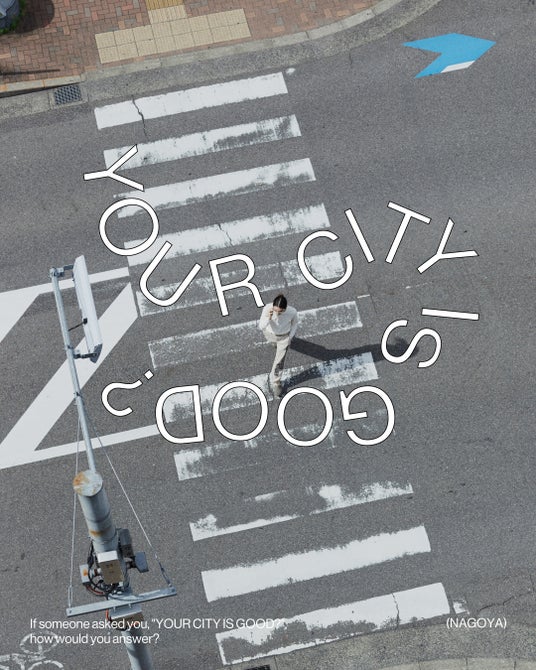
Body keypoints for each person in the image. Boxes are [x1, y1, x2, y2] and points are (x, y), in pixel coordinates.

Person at [258, 294, 298, 398]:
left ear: (285, 308)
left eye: (280, 311)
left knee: (279, 361)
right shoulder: (267, 308)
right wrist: (269, 317)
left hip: (284, 337)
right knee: (274, 345)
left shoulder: (292, 312)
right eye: (276, 310)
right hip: (270, 334)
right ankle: (275, 345)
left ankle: (276, 381)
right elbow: (261, 326)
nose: (278, 313)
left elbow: (294, 324)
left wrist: (290, 338)